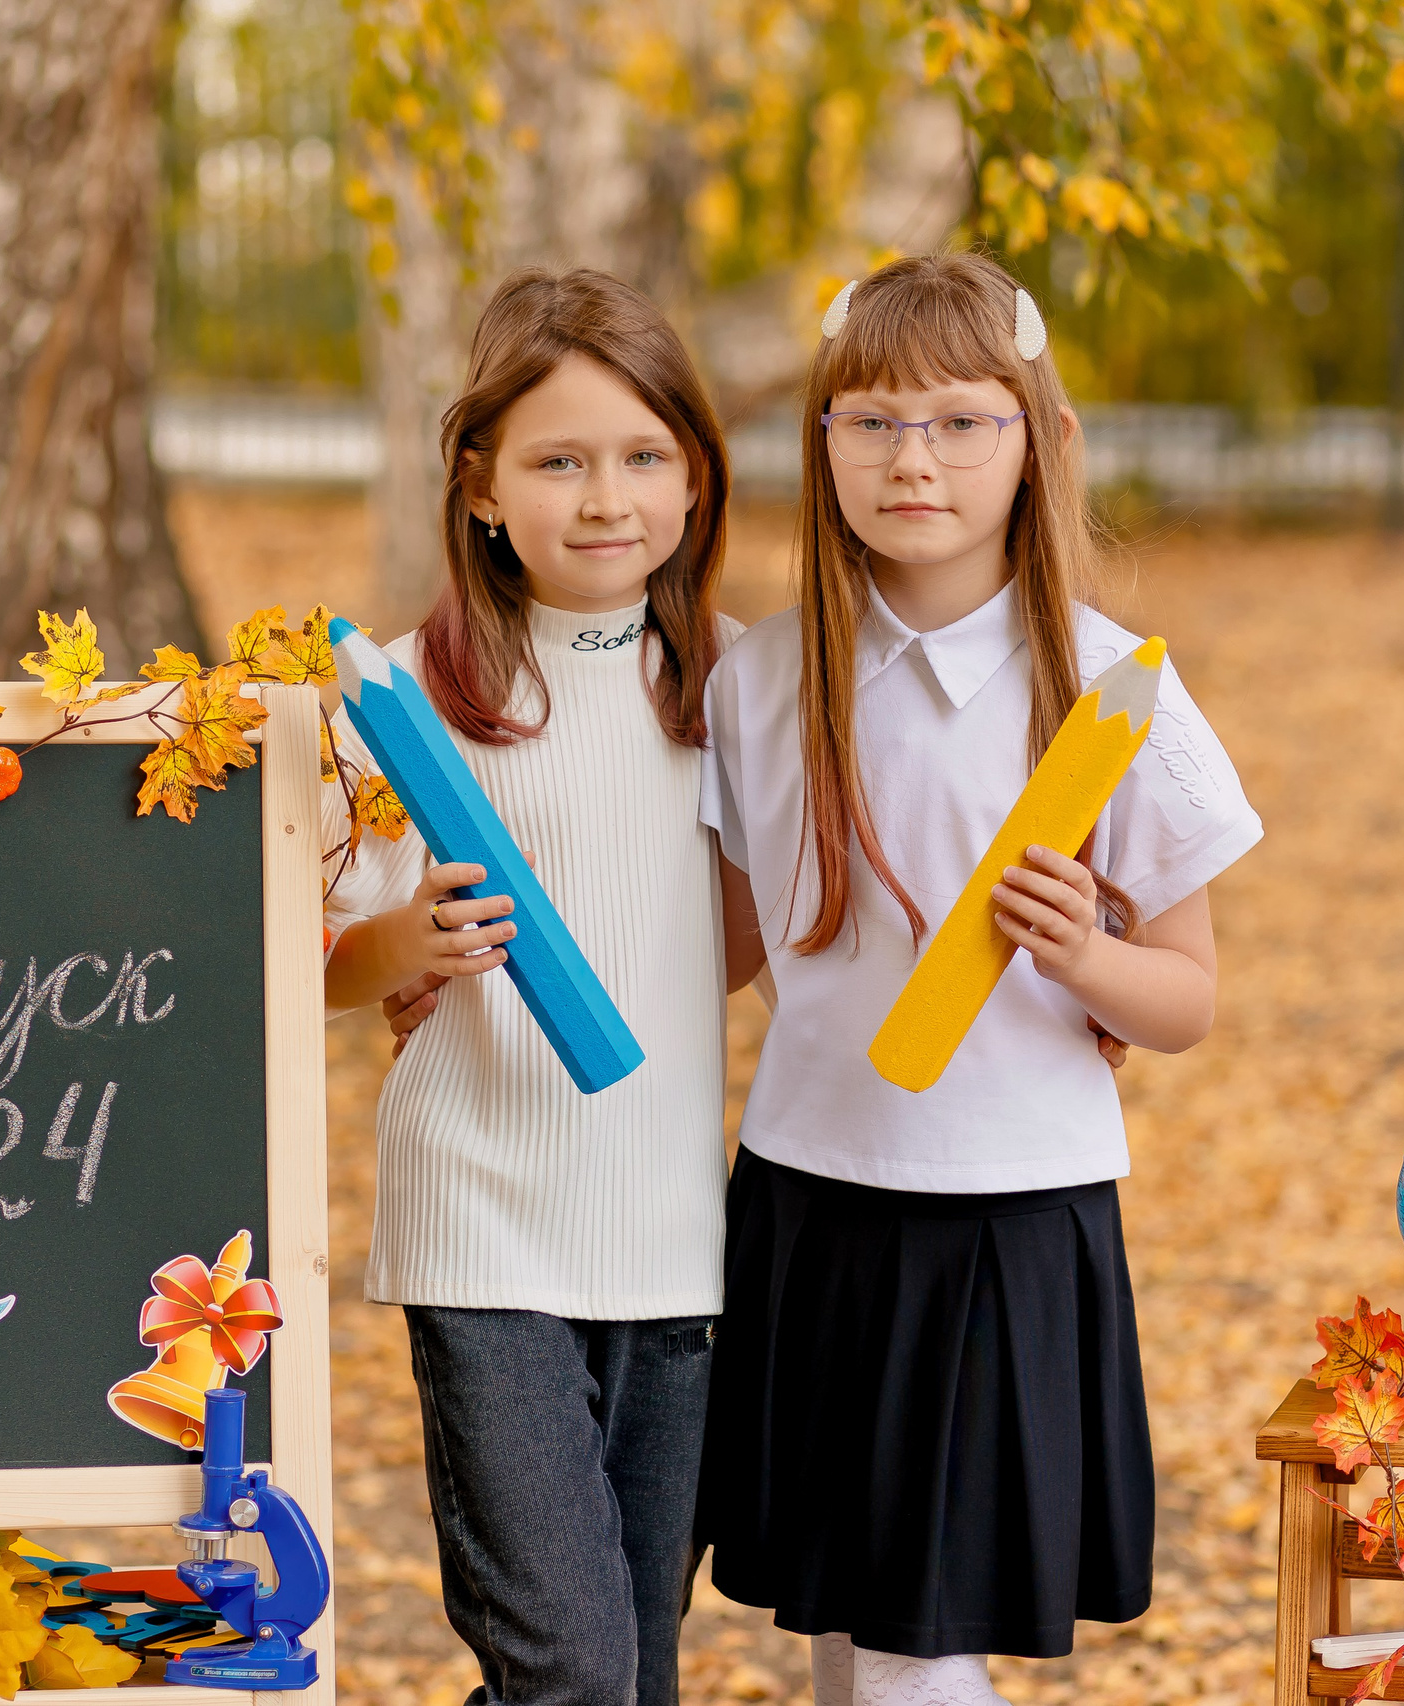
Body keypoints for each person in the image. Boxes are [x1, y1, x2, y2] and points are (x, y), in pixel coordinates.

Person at [696, 253, 1264, 1704]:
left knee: (908, 1651)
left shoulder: (1112, 686)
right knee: (844, 1635)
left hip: (1002, 1224)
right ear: (820, 442)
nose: (914, 460)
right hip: (806, 1202)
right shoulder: (756, 682)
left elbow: (1187, 1001)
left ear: (1040, 441)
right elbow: (732, 949)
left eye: (961, 421)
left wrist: (1083, 951)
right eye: (872, 422)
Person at [319, 266, 741, 1706]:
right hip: (488, 1220)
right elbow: (330, 959)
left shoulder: (734, 689)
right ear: (484, 485)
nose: (605, 496)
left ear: (694, 480)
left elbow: (745, 932)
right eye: (560, 460)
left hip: (676, 1233)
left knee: (639, 1663)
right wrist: (405, 950)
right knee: (568, 1666)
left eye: (642, 457)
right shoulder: (410, 697)